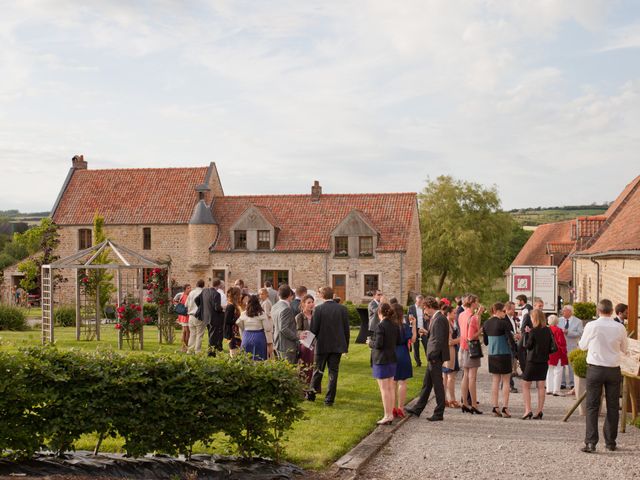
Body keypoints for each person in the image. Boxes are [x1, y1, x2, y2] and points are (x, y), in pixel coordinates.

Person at [578, 299, 628, 453]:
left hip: (595, 368)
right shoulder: (619, 327)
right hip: (613, 369)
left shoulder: (592, 326)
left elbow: (582, 346)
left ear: (598, 310)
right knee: (613, 406)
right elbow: (624, 349)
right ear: (612, 311)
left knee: (592, 406)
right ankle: (610, 442)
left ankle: (591, 442)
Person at [405, 297, 449, 421]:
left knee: (437, 385)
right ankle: (418, 408)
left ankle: (439, 412)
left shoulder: (439, 318)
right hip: (434, 356)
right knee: (427, 384)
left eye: (425, 308)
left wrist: (433, 355)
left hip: (435, 357)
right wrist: (427, 332)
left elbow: (439, 340)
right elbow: (436, 336)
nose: (424, 310)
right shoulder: (437, 317)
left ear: (429, 307)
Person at [310, 286, 350, 406]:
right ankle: (329, 400)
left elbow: (313, 330)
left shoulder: (318, 309)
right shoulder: (342, 309)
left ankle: (311, 394)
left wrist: (311, 343)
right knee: (333, 373)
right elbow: (346, 330)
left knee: (318, 370)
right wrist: (345, 346)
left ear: (322, 296)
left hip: (322, 345)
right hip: (337, 345)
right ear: (333, 295)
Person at [483, 302, 517, 418]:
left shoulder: (486, 323)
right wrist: (516, 352)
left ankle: (495, 406)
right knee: (506, 381)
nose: (505, 313)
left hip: (492, 354)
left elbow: (486, 342)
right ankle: (505, 407)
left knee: (495, 381)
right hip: (504, 354)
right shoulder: (504, 323)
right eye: (503, 311)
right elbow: (510, 340)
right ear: (497, 311)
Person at [521, 309, 553, 420]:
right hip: (544, 361)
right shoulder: (548, 330)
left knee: (525, 385)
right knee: (541, 386)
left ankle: (528, 410)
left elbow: (528, 346)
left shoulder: (533, 331)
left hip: (532, 361)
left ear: (534, 318)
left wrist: (527, 334)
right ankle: (539, 411)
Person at [371, 302, 399, 424]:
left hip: (381, 360)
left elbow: (378, 344)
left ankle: (387, 415)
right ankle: (390, 414)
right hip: (392, 358)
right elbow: (397, 341)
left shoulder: (380, 326)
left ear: (379, 313)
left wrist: (369, 343)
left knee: (384, 389)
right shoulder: (394, 325)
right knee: (391, 388)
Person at [458, 294, 484, 414]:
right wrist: (480, 331)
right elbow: (471, 336)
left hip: (462, 348)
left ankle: (464, 403)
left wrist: (478, 315)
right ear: (473, 303)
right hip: (471, 348)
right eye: (476, 302)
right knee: (472, 377)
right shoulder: (472, 317)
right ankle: (473, 404)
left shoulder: (461, 315)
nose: (477, 303)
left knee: (465, 375)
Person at [392, 302, 416, 418]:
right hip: (403, 353)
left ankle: (392, 408)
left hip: (391, 353)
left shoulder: (388, 325)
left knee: (392, 383)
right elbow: (413, 339)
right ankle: (401, 408)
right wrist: (414, 324)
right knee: (402, 382)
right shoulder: (404, 326)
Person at [236, 294, 272, 361]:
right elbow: (267, 328)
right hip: (259, 337)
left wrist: (244, 331)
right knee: (259, 359)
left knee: (246, 360)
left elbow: (238, 323)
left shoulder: (244, 313)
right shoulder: (261, 314)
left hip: (246, 337)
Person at [195, 279, 225, 357]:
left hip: (205, 316)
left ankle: (211, 351)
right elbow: (217, 308)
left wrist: (202, 307)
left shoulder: (204, 291)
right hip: (214, 317)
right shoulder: (216, 294)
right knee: (213, 336)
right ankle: (211, 353)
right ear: (219, 285)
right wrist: (223, 308)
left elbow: (196, 300)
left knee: (210, 335)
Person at [558, 305, 583, 390]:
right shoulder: (559, 320)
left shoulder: (578, 321)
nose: (563, 312)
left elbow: (580, 333)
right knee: (562, 365)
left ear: (570, 312)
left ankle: (572, 383)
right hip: (560, 347)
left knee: (571, 366)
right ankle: (562, 383)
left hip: (572, 346)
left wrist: (568, 332)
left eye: (564, 311)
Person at [272, 285, 298, 363]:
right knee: (289, 370)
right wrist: (296, 337)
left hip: (277, 342)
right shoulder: (286, 308)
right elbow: (284, 328)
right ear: (290, 295)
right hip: (286, 344)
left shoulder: (274, 306)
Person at [518, 297, 543, 375]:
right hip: (528, 339)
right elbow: (523, 328)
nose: (541, 308)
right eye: (539, 306)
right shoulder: (528, 315)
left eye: (542, 306)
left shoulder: (542, 316)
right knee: (524, 355)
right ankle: (525, 372)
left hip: (538, 340)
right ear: (534, 306)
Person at [295, 294, 316, 391]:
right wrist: (302, 333)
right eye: (309, 302)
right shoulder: (299, 316)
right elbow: (297, 330)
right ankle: (303, 386)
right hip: (305, 344)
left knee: (314, 366)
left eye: (312, 302)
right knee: (305, 366)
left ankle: (313, 386)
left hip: (315, 344)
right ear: (303, 304)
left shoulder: (315, 315)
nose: (311, 304)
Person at [442, 304, 460, 408]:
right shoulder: (447, 324)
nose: (456, 314)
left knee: (445, 377)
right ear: (448, 314)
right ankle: (452, 399)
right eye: (454, 313)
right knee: (450, 377)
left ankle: (445, 399)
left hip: (447, 352)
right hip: (449, 352)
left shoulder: (449, 322)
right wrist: (461, 338)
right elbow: (449, 342)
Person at [546, 315, 568, 396]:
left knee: (549, 371)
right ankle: (556, 390)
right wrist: (564, 353)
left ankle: (549, 389)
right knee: (558, 371)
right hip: (557, 353)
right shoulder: (559, 330)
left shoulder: (546, 330)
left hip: (548, 353)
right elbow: (562, 343)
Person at [504, 301, 520, 393]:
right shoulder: (504, 319)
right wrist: (514, 336)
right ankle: (509, 385)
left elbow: (512, 330)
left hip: (513, 344)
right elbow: (507, 333)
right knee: (508, 367)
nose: (514, 311)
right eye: (512, 309)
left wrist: (517, 334)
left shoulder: (512, 318)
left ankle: (506, 384)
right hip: (508, 345)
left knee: (511, 365)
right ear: (507, 309)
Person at [186, 280, 205, 354]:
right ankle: (197, 351)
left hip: (191, 316)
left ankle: (190, 350)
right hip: (199, 315)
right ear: (203, 285)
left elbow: (186, 304)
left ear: (196, 284)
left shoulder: (191, 292)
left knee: (192, 334)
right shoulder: (203, 293)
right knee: (199, 335)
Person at [408, 295, 426, 367]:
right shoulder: (411, 308)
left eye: (421, 302)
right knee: (416, 346)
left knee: (426, 344)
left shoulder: (424, 308)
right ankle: (418, 363)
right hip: (415, 329)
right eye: (419, 302)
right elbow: (409, 319)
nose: (420, 303)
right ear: (416, 301)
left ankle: (430, 360)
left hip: (422, 329)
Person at [224, 286, 242, 357]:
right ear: (235, 295)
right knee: (233, 353)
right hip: (232, 333)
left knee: (237, 352)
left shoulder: (235, 305)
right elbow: (227, 321)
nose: (240, 296)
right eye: (239, 294)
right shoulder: (230, 306)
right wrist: (238, 319)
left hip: (236, 333)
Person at [173, 284, 191, 352]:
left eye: (190, 288)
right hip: (186, 315)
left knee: (184, 331)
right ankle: (185, 347)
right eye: (188, 288)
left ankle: (183, 347)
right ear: (185, 289)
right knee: (187, 332)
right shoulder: (186, 296)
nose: (190, 289)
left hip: (181, 315)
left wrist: (177, 304)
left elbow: (174, 301)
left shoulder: (180, 294)